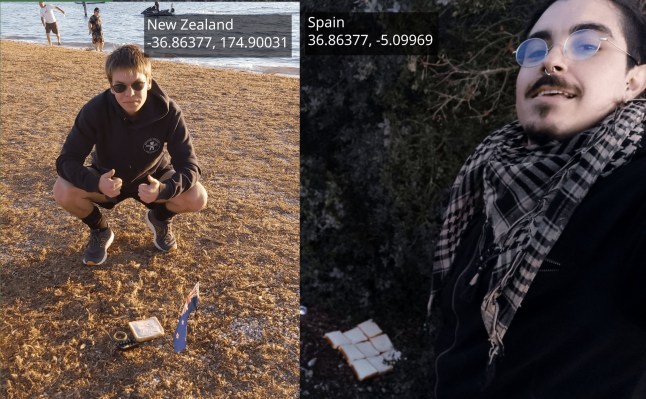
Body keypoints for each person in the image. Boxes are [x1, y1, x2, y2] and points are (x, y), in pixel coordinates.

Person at [428, 0, 646, 398]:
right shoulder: (489, 175)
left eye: (587, 44)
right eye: (536, 49)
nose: (553, 61)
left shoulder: (633, 190)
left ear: (633, 80)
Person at [53, 45, 208, 266]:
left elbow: (189, 165)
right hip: (107, 177)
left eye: (138, 85)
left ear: (149, 82)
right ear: (111, 87)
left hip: (152, 177)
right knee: (62, 190)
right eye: (120, 86)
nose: (130, 94)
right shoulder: (94, 110)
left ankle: (160, 218)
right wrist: (96, 182)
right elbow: (66, 160)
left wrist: (164, 189)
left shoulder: (169, 112)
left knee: (197, 196)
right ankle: (100, 230)